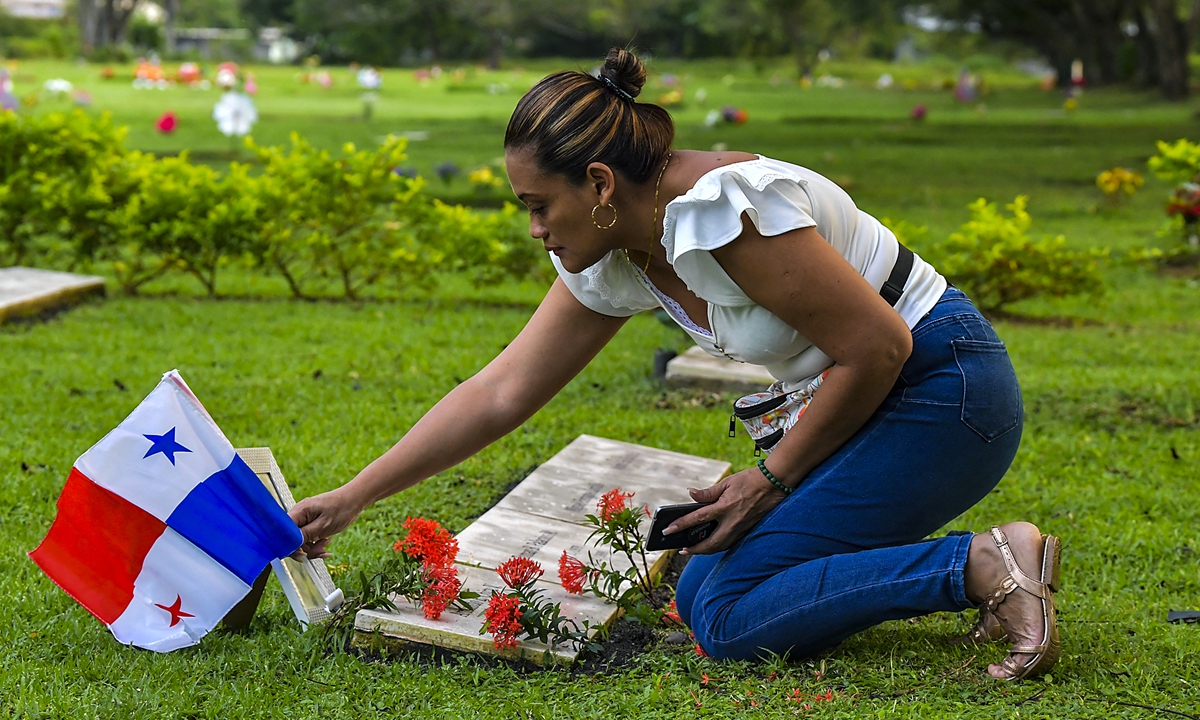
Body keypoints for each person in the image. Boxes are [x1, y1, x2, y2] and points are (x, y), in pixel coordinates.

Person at [289, 48, 1062, 681]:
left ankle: (980, 567)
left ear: (597, 184)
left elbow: (882, 346)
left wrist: (769, 480)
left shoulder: (726, 211)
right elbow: (502, 389)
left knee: (724, 616)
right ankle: (966, 566)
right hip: (863, 400)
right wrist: (355, 496)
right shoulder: (617, 251)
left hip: (945, 391)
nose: (533, 229)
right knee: (706, 594)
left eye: (537, 205)